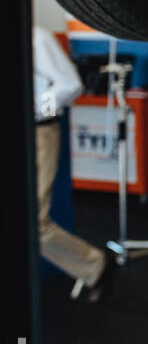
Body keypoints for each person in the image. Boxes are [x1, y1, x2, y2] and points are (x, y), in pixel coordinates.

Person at [32, 25, 114, 303]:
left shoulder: (36, 37)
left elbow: (70, 84)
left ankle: (95, 265)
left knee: (35, 223)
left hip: (37, 132)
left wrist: (32, 108)